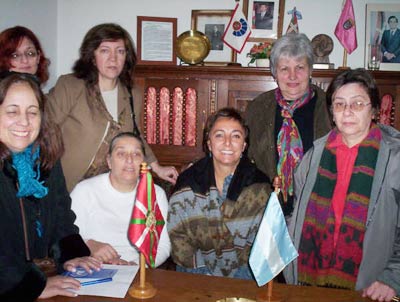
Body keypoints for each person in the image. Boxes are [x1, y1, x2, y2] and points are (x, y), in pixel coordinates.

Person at [284, 69, 400, 302]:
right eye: (339, 104)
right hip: (309, 282)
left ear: (374, 110)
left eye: (357, 104)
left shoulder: (394, 159)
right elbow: (295, 217)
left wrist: (392, 278)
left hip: (370, 288)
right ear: (332, 112)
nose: (347, 111)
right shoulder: (313, 157)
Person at [0, 72, 102, 301]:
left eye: (32, 112)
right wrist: (33, 286)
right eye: (12, 111)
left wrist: (72, 255)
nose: (24, 121)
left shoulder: (45, 160)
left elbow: (60, 214)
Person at [46, 23, 178, 192]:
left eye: (120, 51)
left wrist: (157, 167)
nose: (113, 58)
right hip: (68, 185)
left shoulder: (133, 93)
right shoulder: (71, 86)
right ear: (92, 56)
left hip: (110, 186)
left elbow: (136, 136)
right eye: (105, 50)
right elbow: (45, 128)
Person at [168, 107, 271, 279]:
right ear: (209, 143)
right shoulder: (188, 183)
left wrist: (237, 280)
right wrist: (205, 274)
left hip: (245, 276)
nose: (228, 143)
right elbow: (178, 238)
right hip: (195, 275)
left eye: (236, 136)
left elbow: (263, 243)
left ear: (244, 145)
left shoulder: (260, 186)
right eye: (219, 135)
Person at [244, 32, 332, 216]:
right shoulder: (257, 108)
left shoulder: (330, 107)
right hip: (266, 208)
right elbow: (243, 157)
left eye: (300, 67)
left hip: (318, 207)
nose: (292, 76)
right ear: (275, 72)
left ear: (310, 70)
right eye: (284, 68)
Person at [70, 132, 170, 267]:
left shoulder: (155, 194)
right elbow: (66, 238)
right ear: (109, 161)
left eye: (136, 154)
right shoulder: (84, 191)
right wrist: (89, 244)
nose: (129, 160)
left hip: (139, 270)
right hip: (93, 267)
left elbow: (163, 245)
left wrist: (135, 266)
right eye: (121, 154)